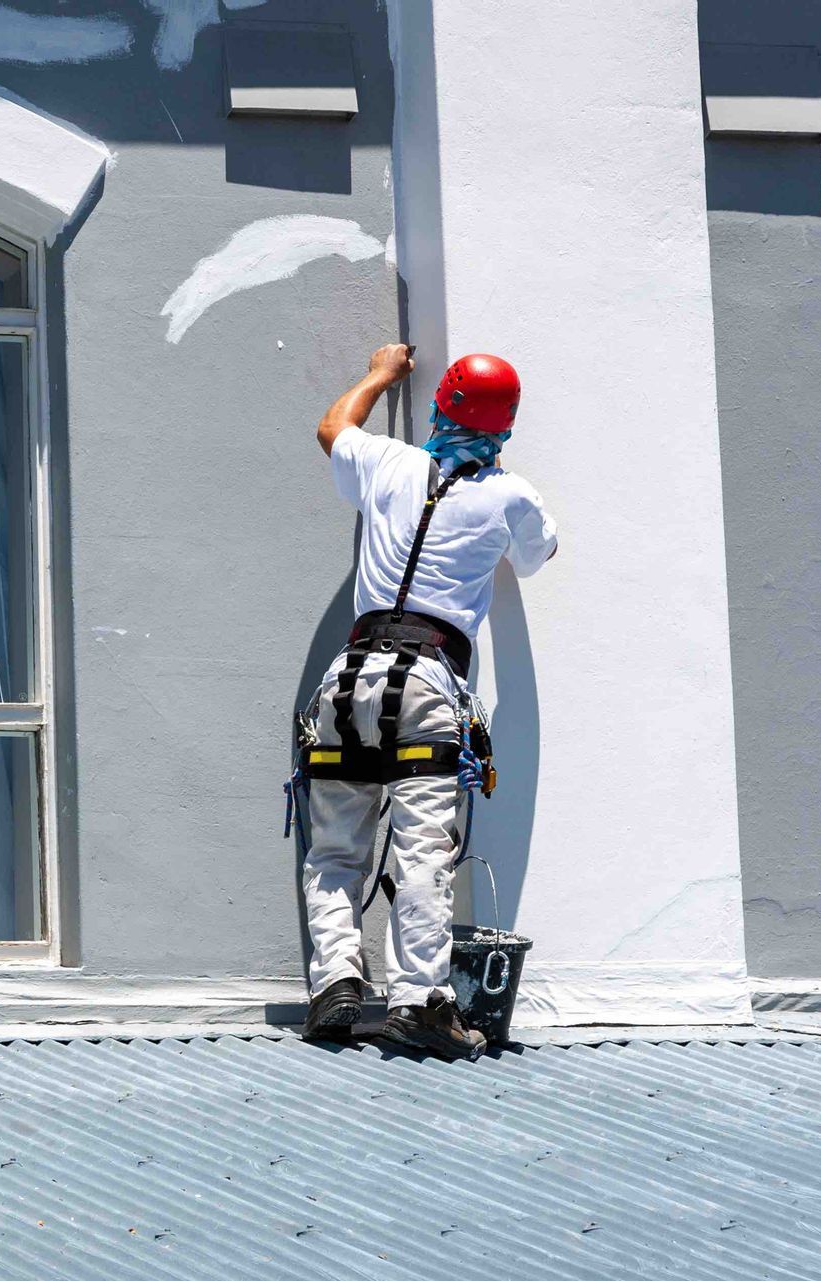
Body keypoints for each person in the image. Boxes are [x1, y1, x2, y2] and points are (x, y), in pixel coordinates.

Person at [295, 344, 556, 1061]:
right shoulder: (511, 496)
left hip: (349, 679)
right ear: (505, 426)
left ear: (440, 404)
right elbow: (537, 555)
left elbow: (331, 427)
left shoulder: (390, 464)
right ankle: (418, 1000)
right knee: (421, 849)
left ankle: (336, 987)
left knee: (335, 848)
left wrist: (382, 371)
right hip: (429, 682)